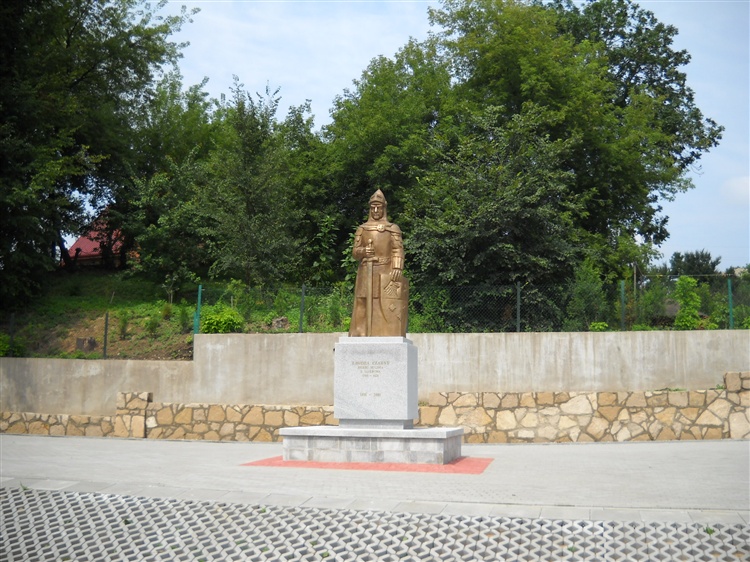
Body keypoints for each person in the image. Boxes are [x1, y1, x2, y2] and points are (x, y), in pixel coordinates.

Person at [349, 189, 409, 337]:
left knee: (381, 303)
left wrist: (397, 266)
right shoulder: (362, 229)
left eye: (379, 207)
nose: (376, 210)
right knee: (362, 301)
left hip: (385, 271)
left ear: (384, 208)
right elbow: (355, 252)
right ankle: (360, 332)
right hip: (366, 270)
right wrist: (364, 251)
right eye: (373, 207)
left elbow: (397, 249)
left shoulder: (392, 228)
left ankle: (384, 332)